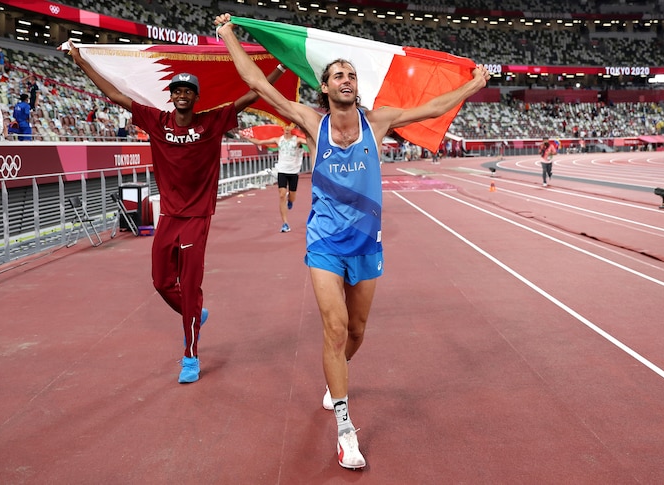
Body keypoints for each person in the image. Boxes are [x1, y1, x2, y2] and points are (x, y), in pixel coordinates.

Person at [216, 14, 490, 470]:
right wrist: (228, 35)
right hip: (325, 240)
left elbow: (432, 108)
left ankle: (335, 373)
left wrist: (472, 85)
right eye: (339, 75)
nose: (347, 79)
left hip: (366, 243)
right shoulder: (312, 122)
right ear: (324, 87)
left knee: (357, 332)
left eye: (352, 75)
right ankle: (345, 428)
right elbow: (257, 83)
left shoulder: (377, 122)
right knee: (336, 328)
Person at [67, 40, 285, 384]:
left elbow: (251, 95)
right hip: (168, 216)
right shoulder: (156, 120)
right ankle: (194, 313)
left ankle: (190, 356)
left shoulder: (211, 122)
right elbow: (115, 95)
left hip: (197, 218)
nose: (182, 94)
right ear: (171, 96)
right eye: (177, 90)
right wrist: (81, 62)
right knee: (161, 282)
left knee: (191, 285)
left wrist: (281, 68)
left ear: (196, 98)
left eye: (188, 91)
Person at [246, 124, 307, 232]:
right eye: (285, 127)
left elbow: (309, 142)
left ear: (292, 129)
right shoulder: (278, 140)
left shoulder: (297, 140)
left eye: (289, 127)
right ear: (282, 128)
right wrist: (246, 136)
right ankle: (285, 223)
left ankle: (290, 200)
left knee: (292, 196)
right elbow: (259, 142)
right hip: (282, 171)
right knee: (282, 195)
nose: (287, 129)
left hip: (293, 172)